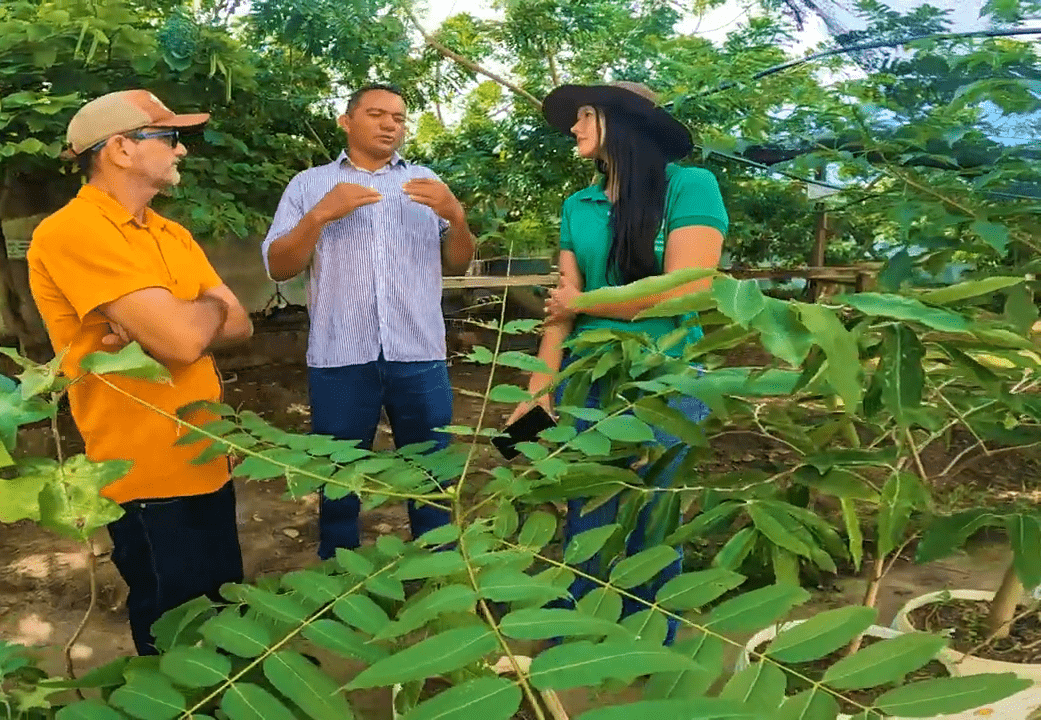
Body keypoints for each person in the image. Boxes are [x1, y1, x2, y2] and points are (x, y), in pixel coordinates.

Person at [26, 89, 254, 655]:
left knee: (224, 611)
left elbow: (242, 324)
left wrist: (180, 321)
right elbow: (182, 342)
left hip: (207, 457)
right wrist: (189, 319)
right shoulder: (72, 231)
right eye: (169, 137)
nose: (181, 151)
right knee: (176, 634)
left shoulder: (169, 232)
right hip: (146, 474)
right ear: (121, 149)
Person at [508, 81, 728, 644]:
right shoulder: (577, 204)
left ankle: (651, 642)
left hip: (668, 374)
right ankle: (580, 642)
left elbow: (688, 289)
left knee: (653, 512)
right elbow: (561, 306)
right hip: (590, 373)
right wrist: (537, 390)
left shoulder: (690, 186)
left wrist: (584, 304)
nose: (573, 128)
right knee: (588, 504)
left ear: (622, 123)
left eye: (584, 116)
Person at [261, 83, 477, 560]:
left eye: (398, 118)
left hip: (418, 354)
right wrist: (319, 215)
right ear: (347, 121)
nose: (389, 125)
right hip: (341, 356)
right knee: (338, 477)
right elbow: (280, 266)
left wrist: (456, 216)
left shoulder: (426, 181)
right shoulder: (310, 185)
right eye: (377, 114)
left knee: (431, 475)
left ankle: (437, 569)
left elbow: (459, 263)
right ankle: (339, 571)